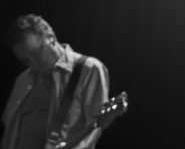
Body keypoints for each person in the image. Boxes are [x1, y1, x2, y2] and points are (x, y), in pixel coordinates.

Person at [2, 15, 109, 149]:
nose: (33, 63)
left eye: (35, 53)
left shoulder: (88, 69)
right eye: (26, 60)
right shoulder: (23, 79)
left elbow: (95, 126)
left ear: (50, 37)